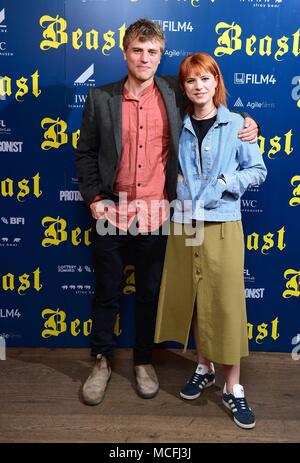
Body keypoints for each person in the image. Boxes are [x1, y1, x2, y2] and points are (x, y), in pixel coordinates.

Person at [76, 19, 259, 406]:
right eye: (137, 50)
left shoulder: (176, 94)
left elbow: (213, 106)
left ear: (160, 55)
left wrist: (249, 124)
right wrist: (95, 200)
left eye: (152, 51)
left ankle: (144, 361)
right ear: (125, 52)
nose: (144, 58)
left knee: (149, 292)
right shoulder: (100, 99)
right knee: (107, 291)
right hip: (113, 212)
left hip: (160, 214)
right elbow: (86, 154)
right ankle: (102, 361)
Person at [154, 52, 267, 429]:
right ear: (183, 87)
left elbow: (257, 170)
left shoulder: (237, 124)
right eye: (191, 80)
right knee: (195, 299)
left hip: (222, 224)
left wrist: (224, 183)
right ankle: (203, 367)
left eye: (206, 78)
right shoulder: (179, 124)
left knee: (226, 304)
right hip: (185, 225)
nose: (199, 86)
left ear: (217, 82)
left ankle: (233, 387)